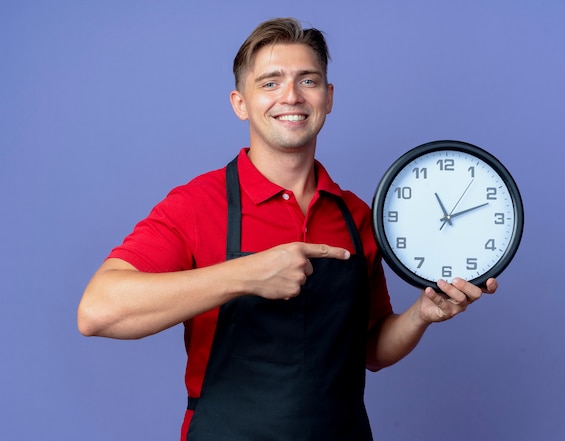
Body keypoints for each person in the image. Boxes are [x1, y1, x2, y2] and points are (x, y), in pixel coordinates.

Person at [77, 17, 498, 441]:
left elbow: (370, 349)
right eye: (270, 83)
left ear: (328, 98)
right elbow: (97, 312)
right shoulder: (196, 204)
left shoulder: (357, 216)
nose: (291, 96)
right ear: (240, 102)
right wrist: (246, 274)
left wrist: (421, 316)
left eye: (308, 81)